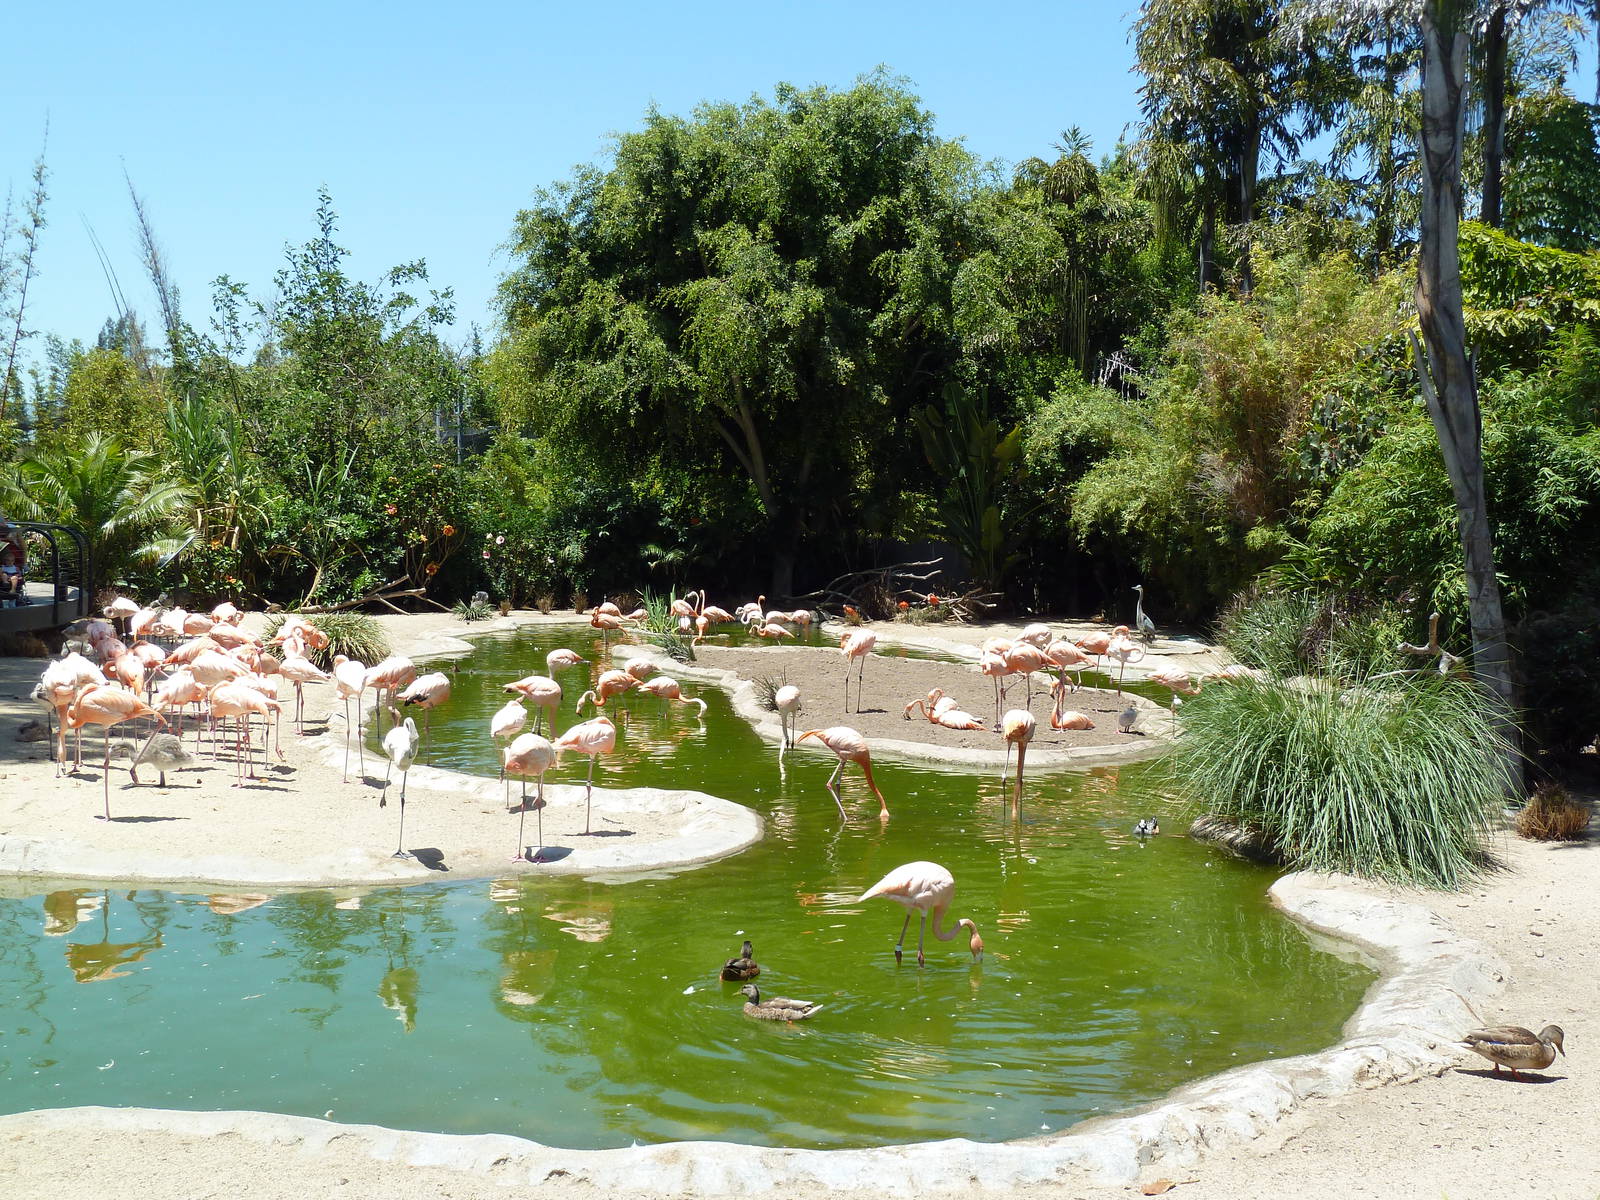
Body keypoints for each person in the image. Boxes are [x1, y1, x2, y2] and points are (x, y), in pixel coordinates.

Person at [0, 522, 26, 605]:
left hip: (14, 566)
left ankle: (13, 591)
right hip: (3, 568)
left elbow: (23, 548)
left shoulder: (13, 531)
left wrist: (23, 565)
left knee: (15, 578)